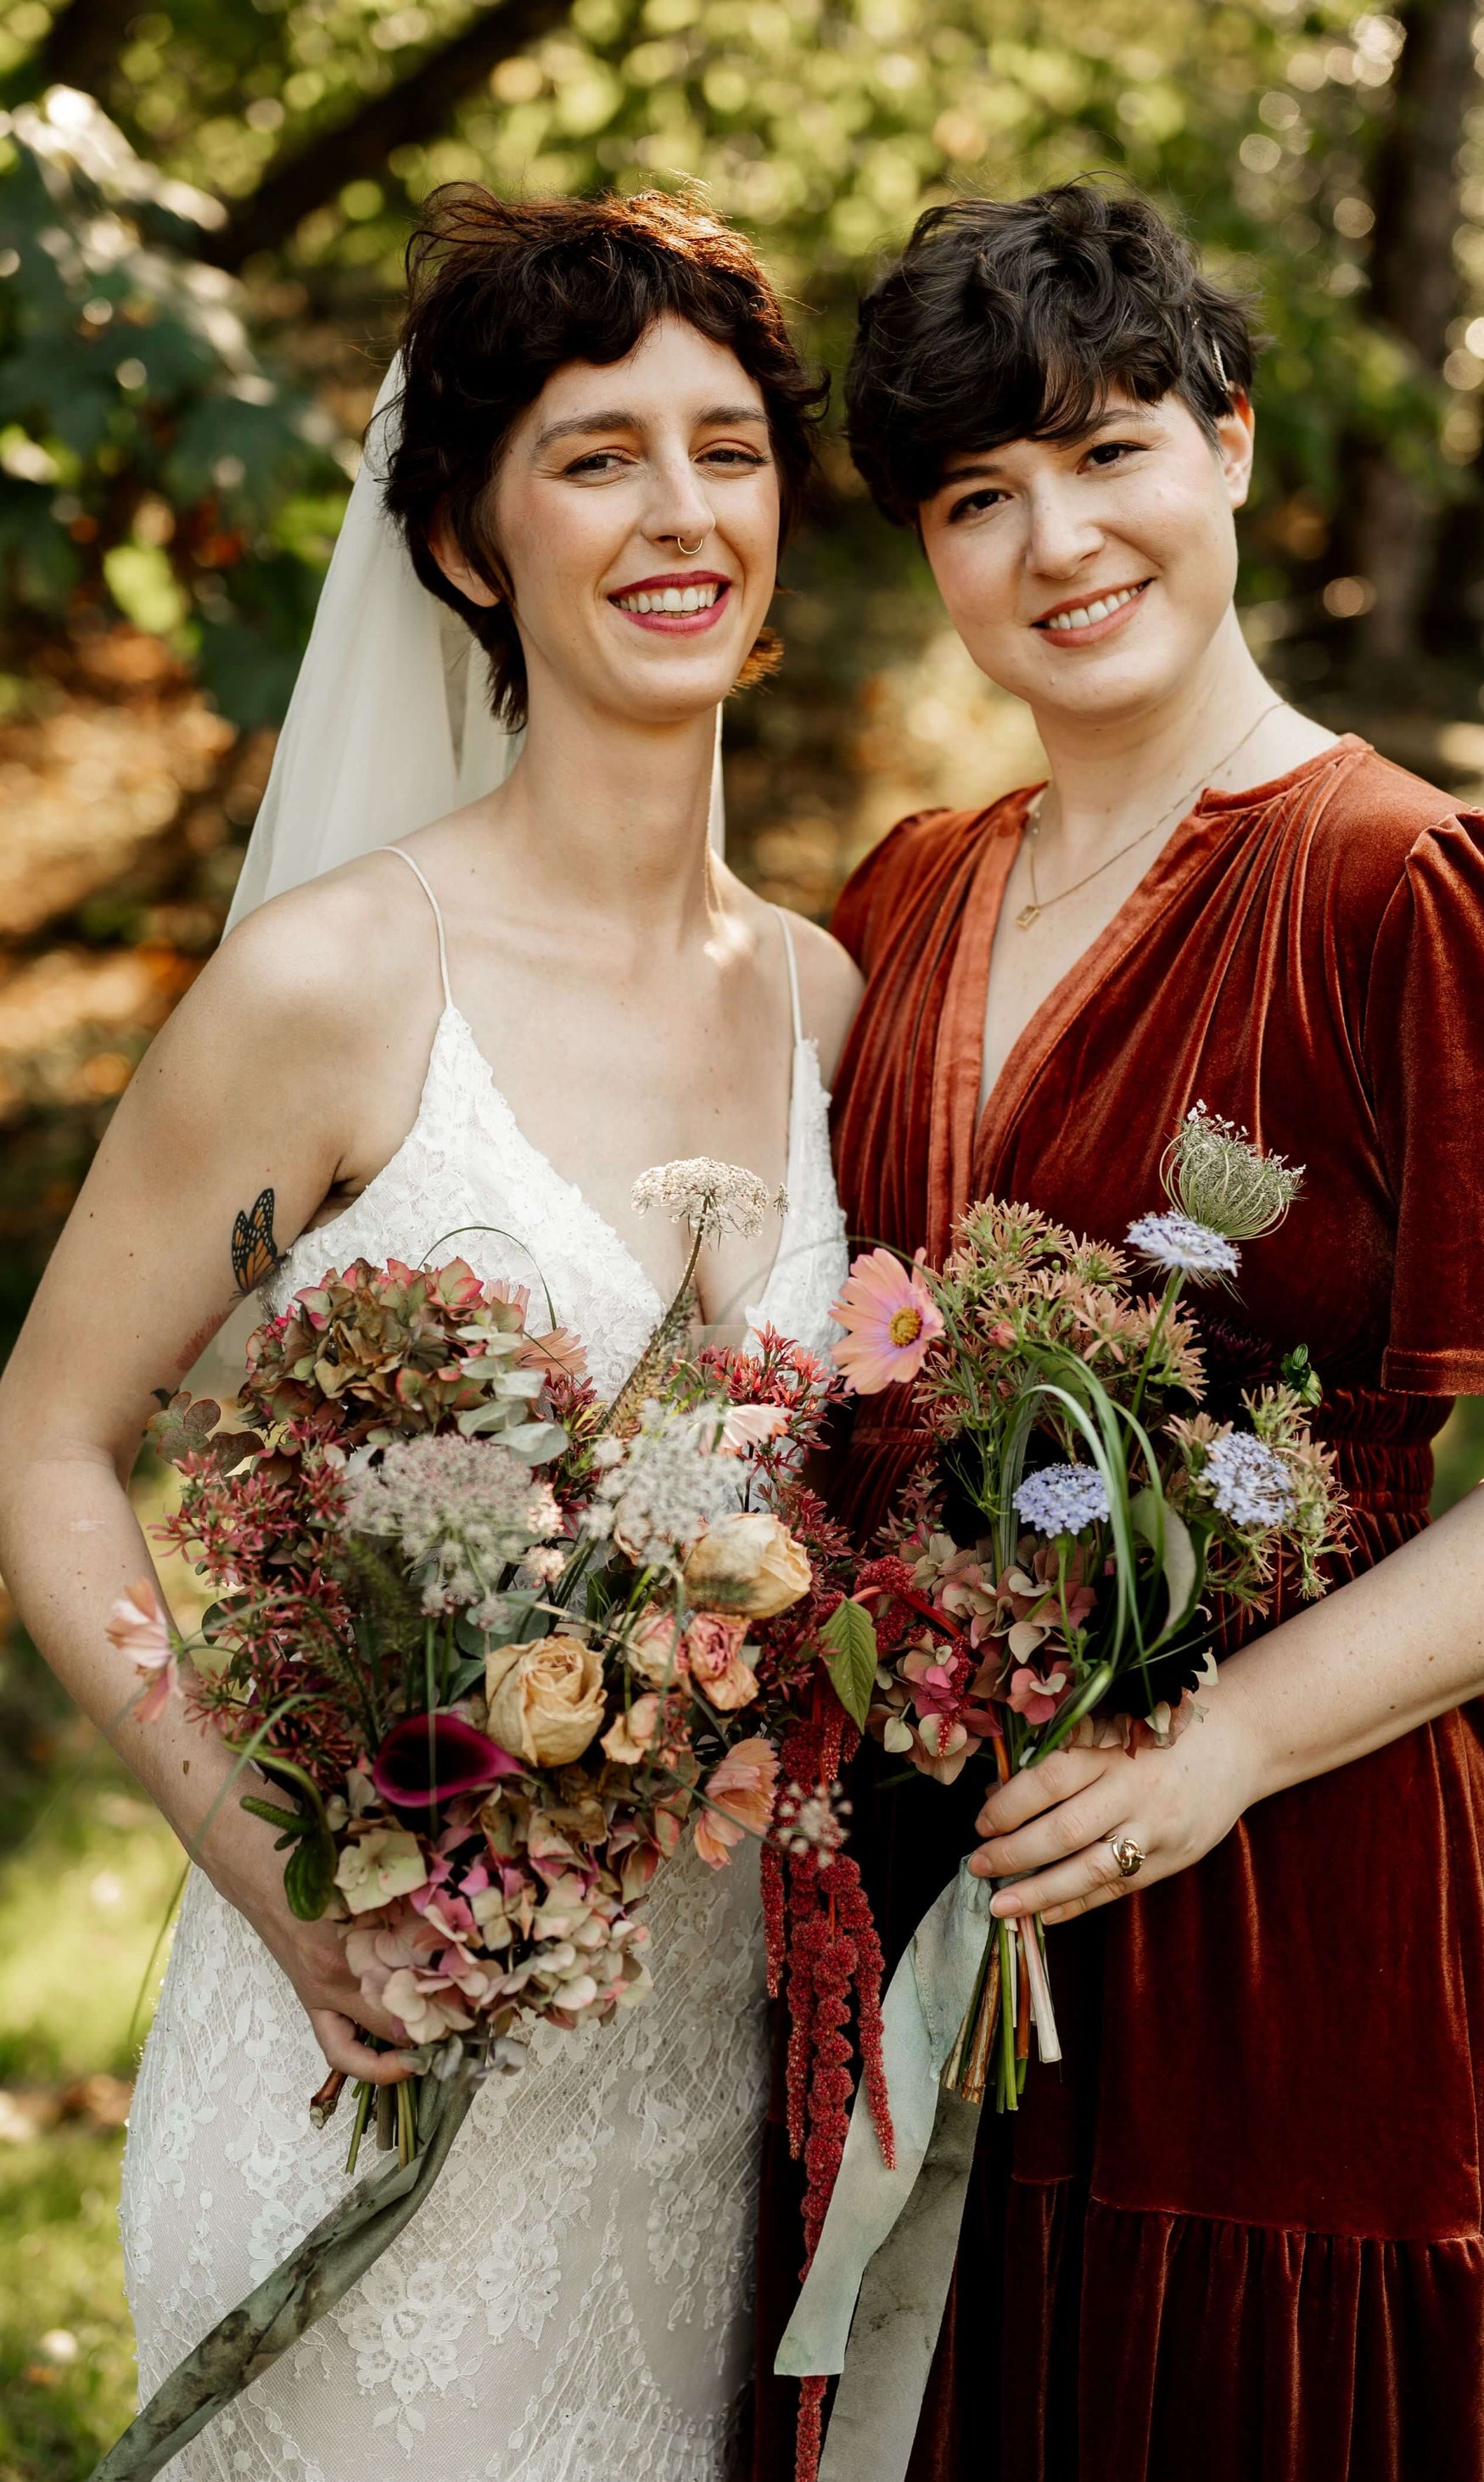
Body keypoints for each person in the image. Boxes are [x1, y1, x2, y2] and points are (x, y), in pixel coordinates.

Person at [752, 181, 1484, 2482]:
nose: (1052, 540)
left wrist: (1219, 1749)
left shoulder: (1411, 889)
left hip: (1296, 1909)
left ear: (1228, 445)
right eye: (975, 496)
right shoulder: (911, 889)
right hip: (929, 1868)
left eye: (1105, 450)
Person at [0, 185, 859, 2479]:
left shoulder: (820, 997)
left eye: (724, 447)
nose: (679, 512)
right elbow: (51, 1436)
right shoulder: (338, 988)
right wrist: (279, 1893)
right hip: (364, 2053)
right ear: (473, 546)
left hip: (702, 2088)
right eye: (594, 456)